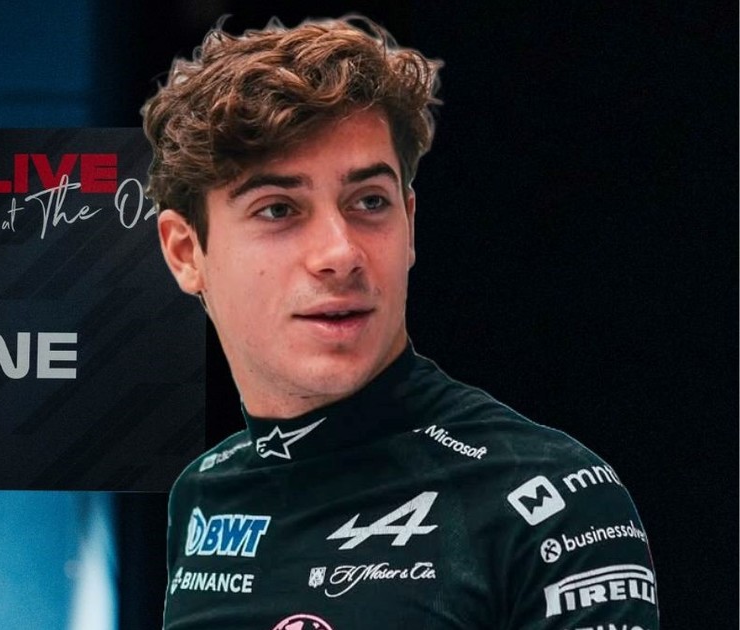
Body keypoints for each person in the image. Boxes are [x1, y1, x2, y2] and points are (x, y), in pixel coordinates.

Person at [142, 16, 659, 630]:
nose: (340, 253)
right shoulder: (203, 493)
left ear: (409, 223)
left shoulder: (552, 497)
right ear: (185, 252)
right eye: (278, 210)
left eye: (369, 202)